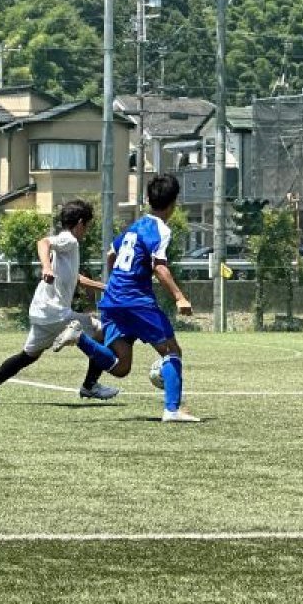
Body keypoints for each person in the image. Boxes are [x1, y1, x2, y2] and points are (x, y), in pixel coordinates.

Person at [72, 173, 200, 423]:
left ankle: (78, 338)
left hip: (113, 299)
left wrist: (116, 281)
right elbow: (160, 268)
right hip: (136, 301)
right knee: (172, 351)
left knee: (121, 367)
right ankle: (172, 410)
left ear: (149, 200)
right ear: (174, 202)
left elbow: (111, 253)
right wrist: (180, 297)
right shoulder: (160, 230)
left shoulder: (134, 227)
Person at [0, 199, 121, 403]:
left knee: (28, 355)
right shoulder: (69, 240)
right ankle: (90, 385)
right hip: (57, 312)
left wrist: (105, 287)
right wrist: (46, 268)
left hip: (42, 311)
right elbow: (43, 242)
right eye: (87, 226)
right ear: (80, 223)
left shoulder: (67, 247)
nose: (86, 231)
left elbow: (75, 277)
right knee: (101, 331)